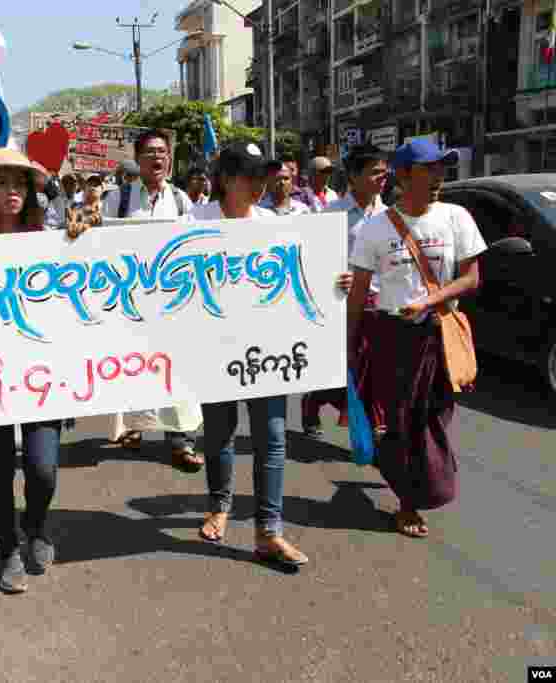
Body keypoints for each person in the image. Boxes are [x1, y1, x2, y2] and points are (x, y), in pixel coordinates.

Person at [190, 142, 352, 566]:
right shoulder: (193, 221)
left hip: (268, 353)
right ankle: (220, 506)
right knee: (220, 432)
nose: (261, 184)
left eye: (264, 175)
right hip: (214, 348)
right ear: (225, 179)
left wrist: (334, 280)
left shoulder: (272, 224)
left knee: (273, 438)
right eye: (250, 175)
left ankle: (269, 531)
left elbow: (303, 276)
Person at [347, 139, 485, 539]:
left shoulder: (456, 217)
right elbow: (358, 292)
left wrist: (431, 299)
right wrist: (350, 346)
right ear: (403, 176)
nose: (440, 176)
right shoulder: (375, 228)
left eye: (443, 168)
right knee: (404, 421)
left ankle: (413, 472)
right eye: (431, 169)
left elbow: (471, 278)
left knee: (436, 416)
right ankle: (408, 502)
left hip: (441, 333)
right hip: (392, 336)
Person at [0, 148, 85, 594]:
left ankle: (36, 526)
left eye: (20, 183)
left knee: (43, 467)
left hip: (41, 372)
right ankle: (8, 549)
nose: (12, 191)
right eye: (1, 183)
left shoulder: (52, 239)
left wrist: (80, 238)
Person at [102, 129, 199, 469]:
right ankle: (134, 426)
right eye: (150, 153)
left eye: (162, 152)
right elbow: (101, 244)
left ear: (169, 160)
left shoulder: (183, 200)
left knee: (178, 370)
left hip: (173, 301)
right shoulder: (119, 199)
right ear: (138, 160)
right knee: (135, 366)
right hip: (132, 301)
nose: (158, 158)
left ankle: (181, 440)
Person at [302, 143, 390, 438]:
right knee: (338, 366)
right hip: (341, 305)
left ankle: (373, 423)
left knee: (373, 368)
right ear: (353, 176)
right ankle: (312, 404)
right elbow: (313, 260)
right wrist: (335, 278)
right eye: (374, 172)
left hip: (379, 304)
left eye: (384, 172)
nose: (382, 177)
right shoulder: (332, 213)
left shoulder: (390, 216)